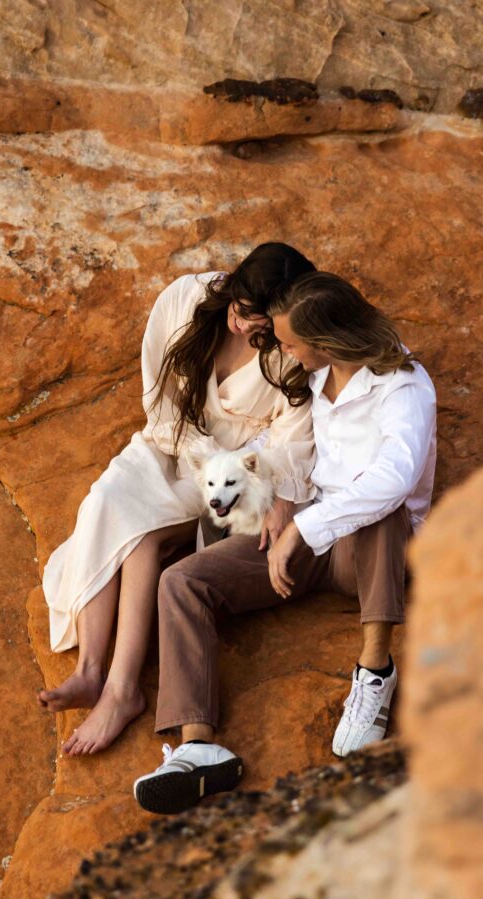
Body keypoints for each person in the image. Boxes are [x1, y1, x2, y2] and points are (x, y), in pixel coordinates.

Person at [132, 271, 437, 814]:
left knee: (382, 509)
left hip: (367, 549)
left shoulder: (403, 387)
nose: (283, 353)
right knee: (182, 582)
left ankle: (375, 675)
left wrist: (302, 528)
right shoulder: (315, 378)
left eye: (292, 343)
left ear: (326, 342)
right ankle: (198, 748)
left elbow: (395, 477)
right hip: (308, 531)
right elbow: (290, 449)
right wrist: (283, 508)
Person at [39, 243, 317, 756]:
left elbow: (290, 444)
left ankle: (118, 689)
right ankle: (90, 672)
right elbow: (160, 402)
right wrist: (198, 448)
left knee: (142, 534)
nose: (237, 326)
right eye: (237, 309)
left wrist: (249, 480)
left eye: (254, 322)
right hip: (172, 442)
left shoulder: (293, 353)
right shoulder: (189, 300)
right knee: (105, 500)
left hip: (227, 475)